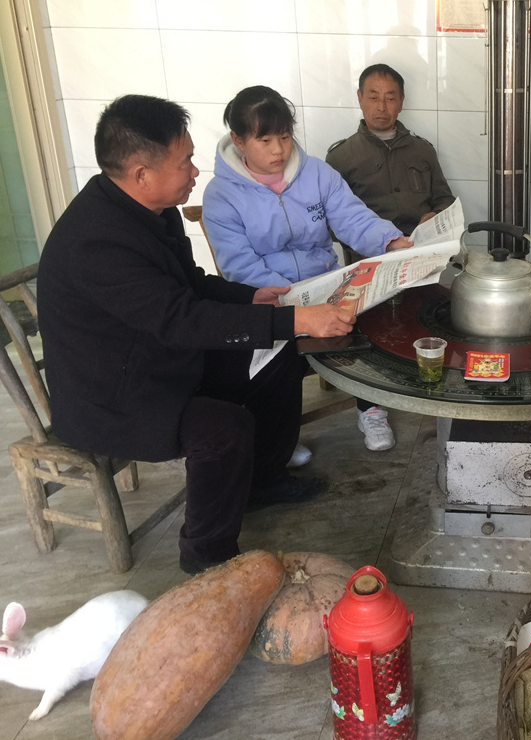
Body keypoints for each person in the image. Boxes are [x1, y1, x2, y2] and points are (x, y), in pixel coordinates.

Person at [37, 95, 358, 575]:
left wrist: (250, 296)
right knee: (223, 430)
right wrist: (296, 320)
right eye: (184, 161)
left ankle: (263, 482)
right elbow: (182, 319)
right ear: (141, 174)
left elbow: (190, 284)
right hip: (114, 395)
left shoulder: (152, 207)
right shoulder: (97, 241)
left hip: (159, 358)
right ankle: (206, 559)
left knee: (278, 354)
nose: (195, 171)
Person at [202, 86, 411, 454]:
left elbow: (352, 217)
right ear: (238, 140)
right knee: (275, 347)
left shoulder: (315, 172)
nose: (279, 150)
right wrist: (298, 307)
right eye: (265, 140)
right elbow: (240, 265)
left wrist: (390, 241)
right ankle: (281, 435)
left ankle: (371, 409)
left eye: (284, 137)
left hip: (324, 282)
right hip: (272, 297)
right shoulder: (221, 195)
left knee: (369, 321)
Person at [325, 63, 456, 237]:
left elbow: (445, 201)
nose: (382, 107)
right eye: (373, 98)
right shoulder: (340, 157)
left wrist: (436, 215)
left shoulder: (423, 150)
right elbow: (332, 221)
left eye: (390, 99)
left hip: (420, 245)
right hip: (370, 250)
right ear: (360, 99)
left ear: (401, 102)